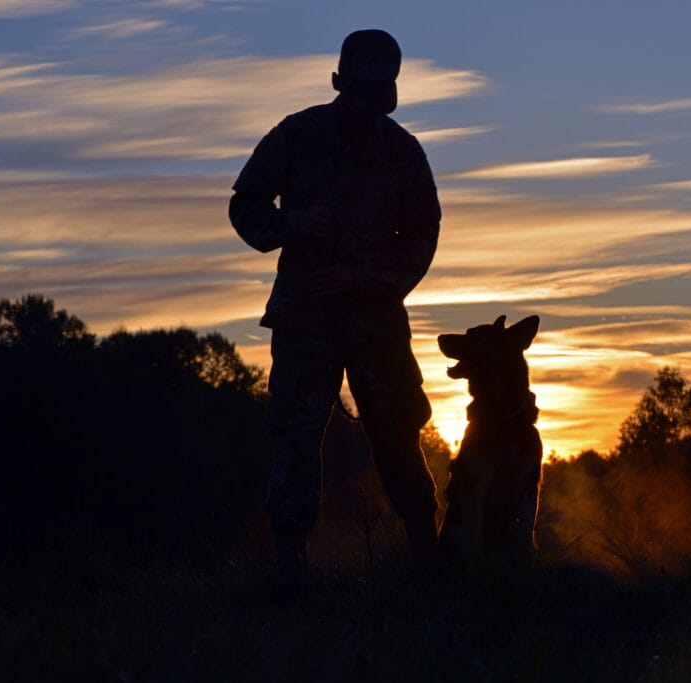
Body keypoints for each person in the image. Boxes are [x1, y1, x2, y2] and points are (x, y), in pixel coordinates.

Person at [228, 29, 442, 595]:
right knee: (296, 436)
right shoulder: (296, 137)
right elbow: (245, 204)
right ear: (338, 84)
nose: (370, 105)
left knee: (398, 434)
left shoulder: (402, 152)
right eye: (362, 91)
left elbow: (423, 234)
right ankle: (291, 568)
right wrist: (292, 226)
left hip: (376, 327)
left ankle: (429, 558)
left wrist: (366, 279)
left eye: (380, 94)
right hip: (305, 321)